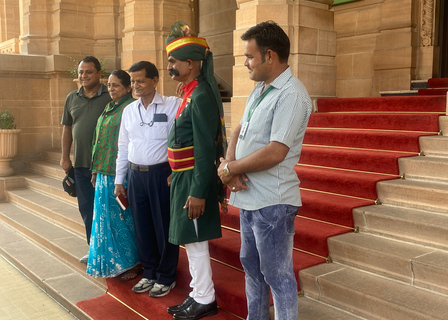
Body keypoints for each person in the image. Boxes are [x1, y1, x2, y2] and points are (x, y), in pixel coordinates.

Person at [217, 21, 311, 320]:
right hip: (248, 197)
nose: (245, 62)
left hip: (273, 201)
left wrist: (229, 168)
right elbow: (239, 130)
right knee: (252, 268)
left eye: (249, 56)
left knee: (277, 275)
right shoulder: (260, 89)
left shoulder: (292, 94)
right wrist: (229, 168)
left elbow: (276, 151)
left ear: (269, 55)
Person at [164, 21, 227, 320]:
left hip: (194, 179)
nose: (169, 66)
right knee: (190, 239)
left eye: (173, 61)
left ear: (190, 63)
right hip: (182, 176)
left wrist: (199, 191)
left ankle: (205, 298)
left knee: (196, 239)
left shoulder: (200, 95)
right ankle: (197, 293)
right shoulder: (189, 91)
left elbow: (204, 149)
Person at [114, 61, 181, 297]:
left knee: (164, 226)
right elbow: (123, 146)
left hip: (161, 175)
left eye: (140, 80)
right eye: (132, 81)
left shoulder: (173, 105)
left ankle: (166, 275)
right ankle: (150, 272)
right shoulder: (129, 110)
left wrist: (179, 170)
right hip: (135, 176)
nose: (135, 85)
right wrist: (119, 180)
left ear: (155, 80)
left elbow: (185, 138)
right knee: (142, 227)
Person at [86, 70, 142, 280]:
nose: (111, 89)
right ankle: (114, 263)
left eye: (116, 85)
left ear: (128, 87)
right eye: (109, 85)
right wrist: (95, 169)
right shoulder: (110, 107)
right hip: (104, 173)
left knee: (123, 219)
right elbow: (98, 140)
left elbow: (131, 143)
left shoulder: (131, 107)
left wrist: (121, 176)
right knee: (107, 220)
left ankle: (133, 263)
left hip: (121, 174)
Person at [60, 56, 112, 263]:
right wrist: (65, 157)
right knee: (86, 208)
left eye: (89, 72)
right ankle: (94, 249)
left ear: (99, 73)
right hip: (81, 165)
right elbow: (67, 128)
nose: (84, 76)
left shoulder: (111, 95)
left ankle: (111, 252)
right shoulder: (72, 97)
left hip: (106, 166)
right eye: (81, 72)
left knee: (107, 209)